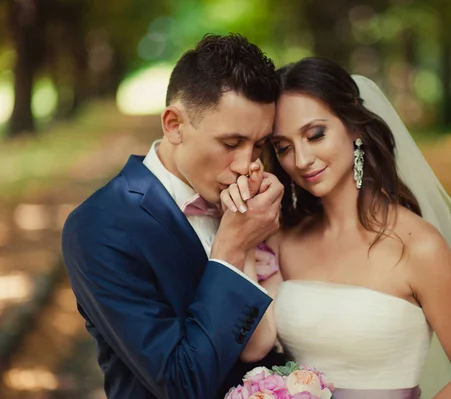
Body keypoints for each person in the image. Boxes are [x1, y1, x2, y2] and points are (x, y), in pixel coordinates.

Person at [221, 57, 451, 398]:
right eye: (284, 147)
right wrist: (245, 235)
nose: (302, 159)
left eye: (315, 134)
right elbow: (253, 347)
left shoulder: (419, 246)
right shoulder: (282, 239)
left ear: (354, 127)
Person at [61, 33, 287, 399]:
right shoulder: (100, 226)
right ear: (173, 125)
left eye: (259, 144)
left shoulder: (264, 202)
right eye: (231, 144)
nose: (247, 165)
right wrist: (231, 246)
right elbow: (181, 384)